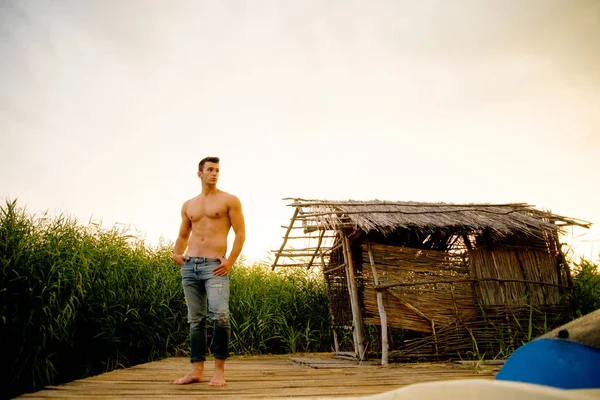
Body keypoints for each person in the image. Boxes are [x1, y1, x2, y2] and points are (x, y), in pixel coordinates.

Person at [172, 156, 245, 386]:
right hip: (190, 265)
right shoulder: (188, 205)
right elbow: (184, 235)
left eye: (217, 170)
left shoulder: (229, 200)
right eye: (210, 169)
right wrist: (176, 253)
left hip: (215, 267)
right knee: (195, 320)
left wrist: (230, 261)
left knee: (220, 316)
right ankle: (196, 371)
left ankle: (219, 372)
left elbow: (240, 233)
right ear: (200, 174)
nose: (214, 173)